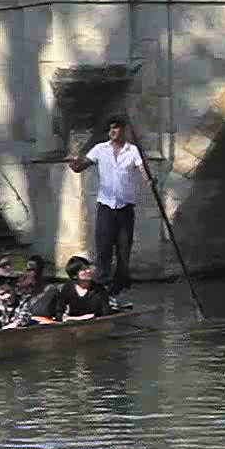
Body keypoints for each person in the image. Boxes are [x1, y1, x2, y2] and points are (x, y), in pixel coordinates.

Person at [67, 115, 146, 308]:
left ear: (123, 130)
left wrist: (148, 179)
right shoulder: (100, 149)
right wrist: (75, 163)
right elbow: (81, 166)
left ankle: (115, 291)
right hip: (106, 208)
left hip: (125, 209)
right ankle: (100, 294)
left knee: (124, 255)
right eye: (110, 129)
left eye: (116, 128)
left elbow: (143, 168)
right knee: (103, 252)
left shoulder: (132, 150)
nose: (113, 132)